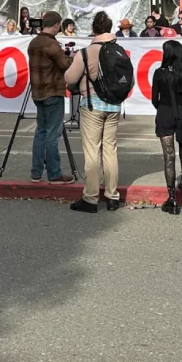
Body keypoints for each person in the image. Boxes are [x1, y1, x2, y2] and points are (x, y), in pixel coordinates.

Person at [64, 11, 123, 213]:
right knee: (110, 150)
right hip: (114, 105)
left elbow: (70, 78)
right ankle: (112, 196)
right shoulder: (118, 49)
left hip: (91, 105)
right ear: (110, 27)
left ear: (93, 29)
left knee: (92, 152)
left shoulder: (86, 52)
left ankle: (90, 198)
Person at [27, 11, 75, 185]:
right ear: (56, 24)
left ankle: (36, 172)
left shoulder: (33, 43)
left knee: (40, 131)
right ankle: (54, 174)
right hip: (53, 91)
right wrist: (73, 58)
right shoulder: (52, 45)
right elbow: (64, 66)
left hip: (38, 92)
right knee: (52, 134)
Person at [150, 39, 182, 215]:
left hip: (165, 113)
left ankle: (172, 199)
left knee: (169, 155)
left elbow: (154, 98)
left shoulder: (159, 73)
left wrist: (162, 107)